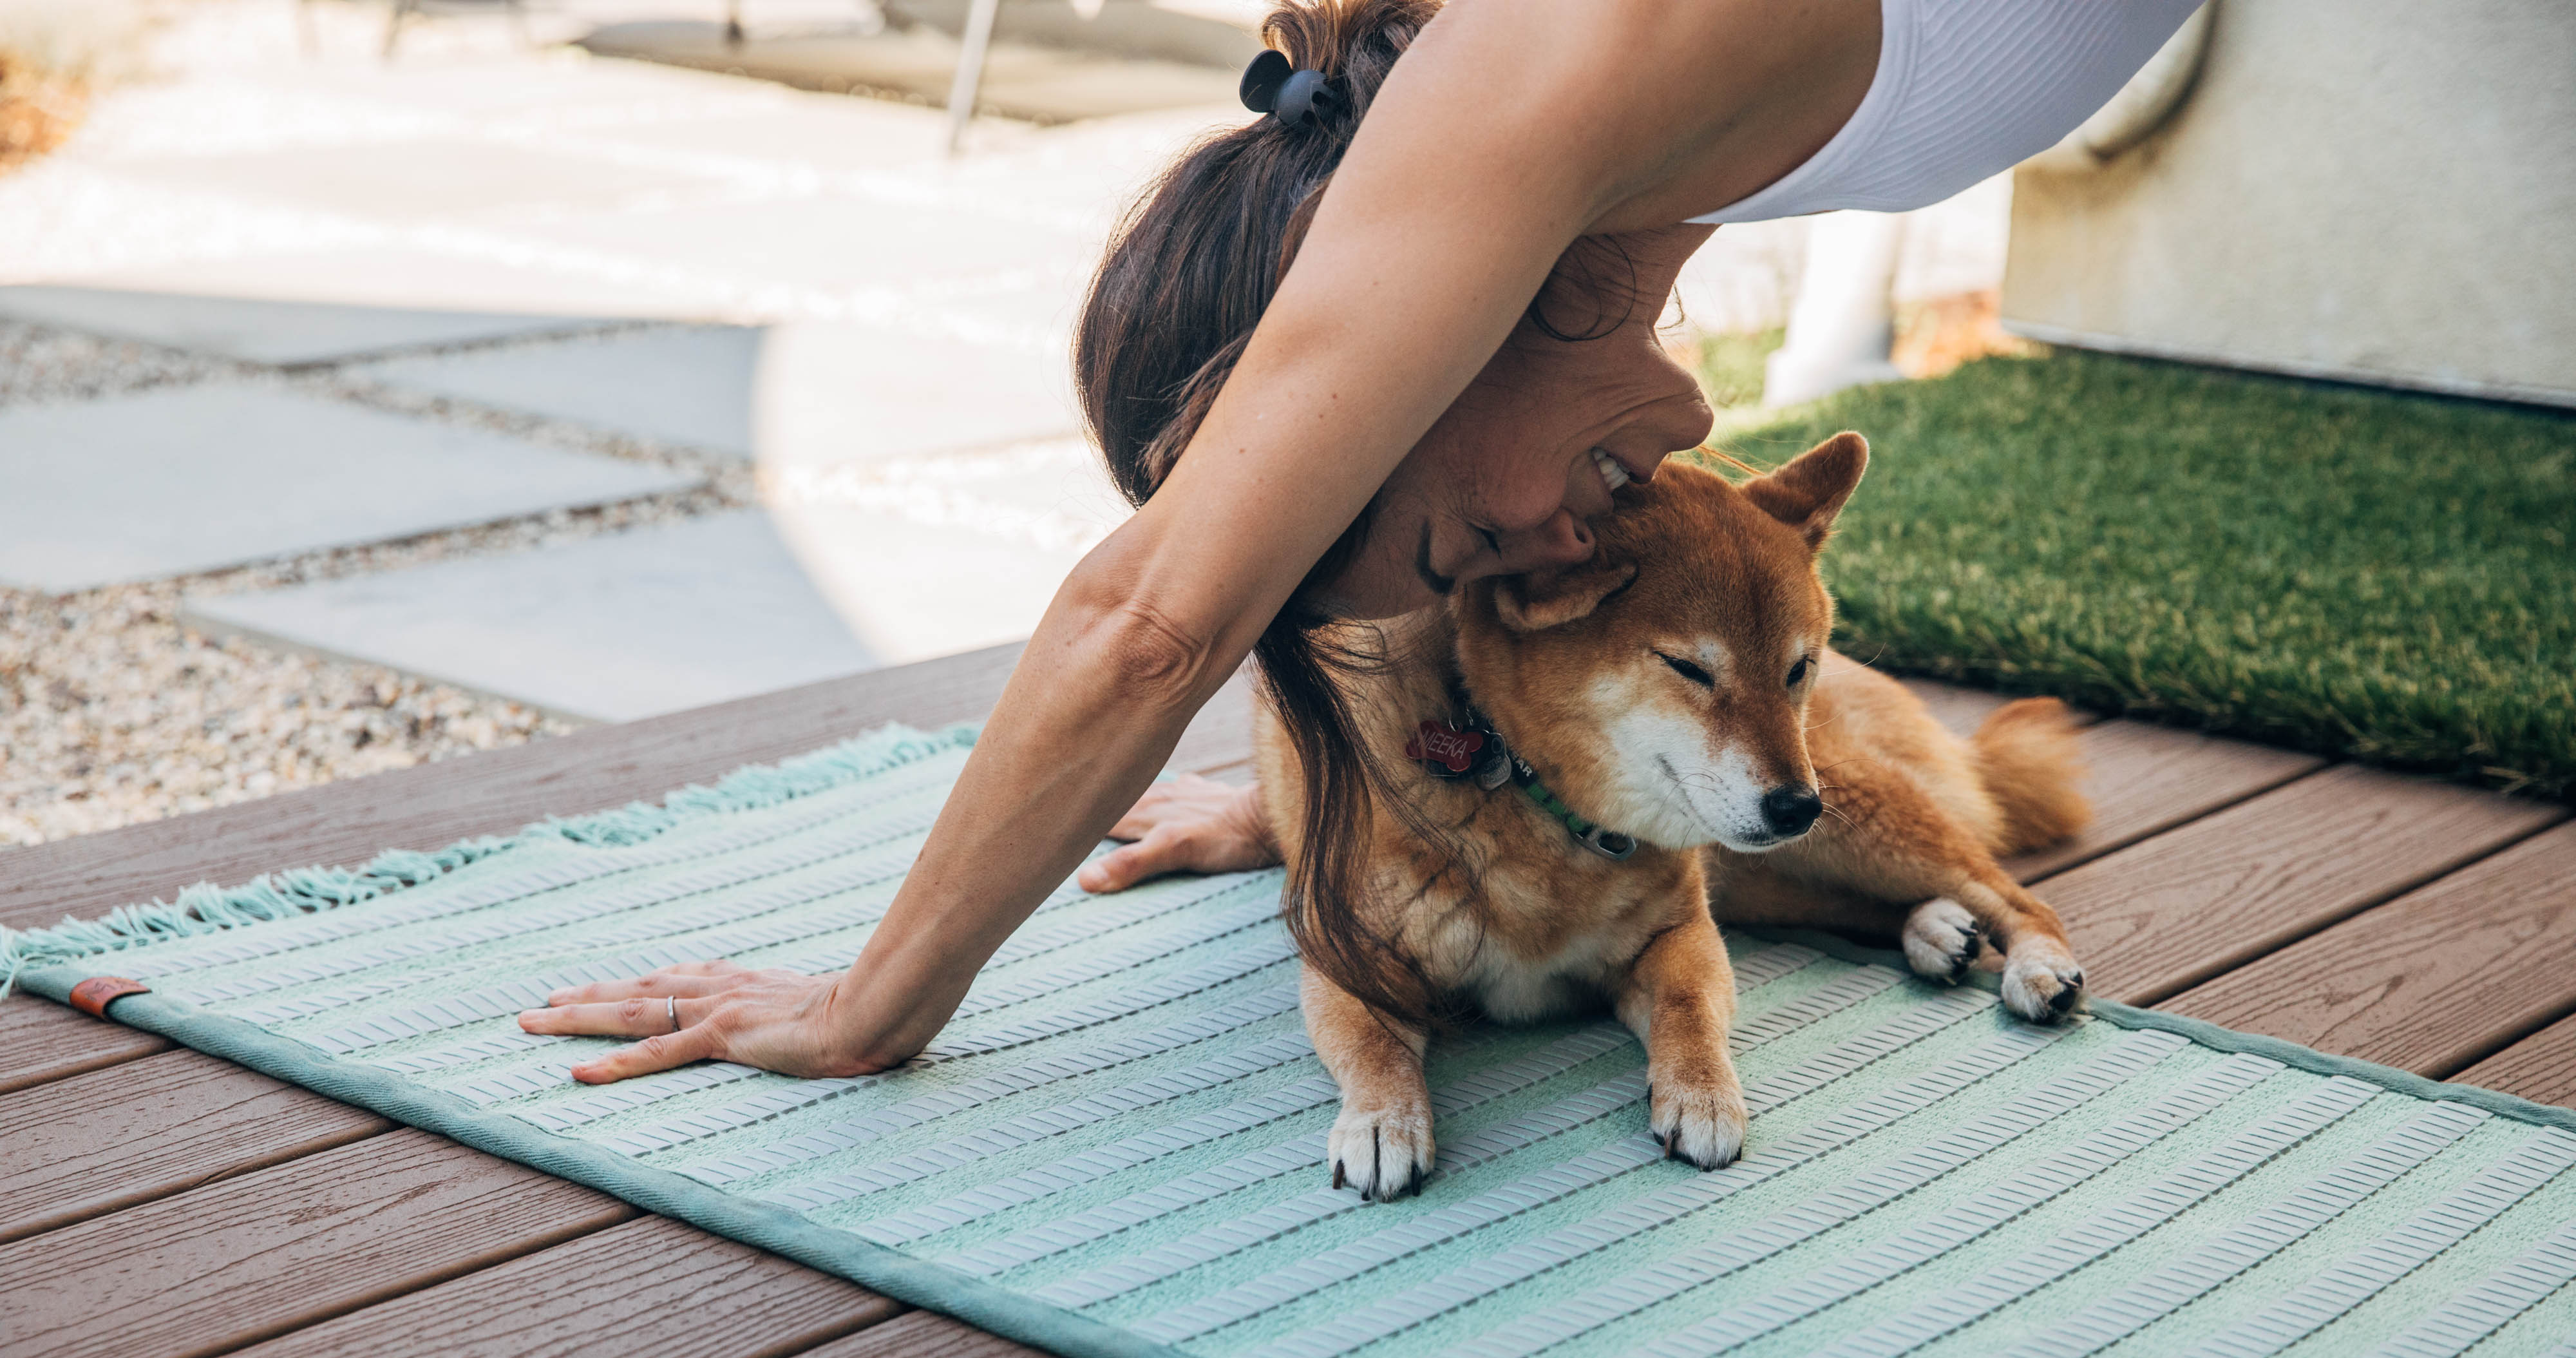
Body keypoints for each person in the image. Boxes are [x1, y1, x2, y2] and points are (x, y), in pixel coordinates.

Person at [519, 0, 2199, 1082]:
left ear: (1407, 352)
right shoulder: (1557, 112)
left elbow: (1154, 618)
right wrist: (1309, 799)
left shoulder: (1502, 102)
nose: (1542, 542)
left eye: (1466, 527)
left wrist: (867, 1001)